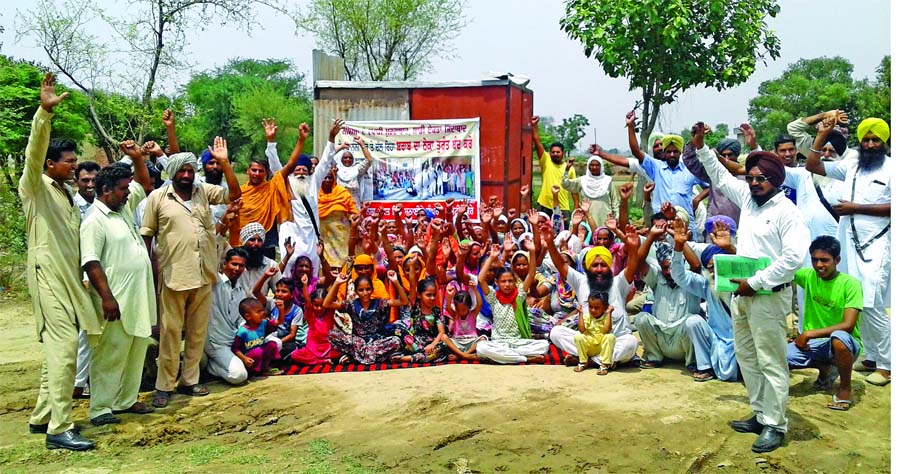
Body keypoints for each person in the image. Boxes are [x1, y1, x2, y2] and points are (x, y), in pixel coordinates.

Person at [693, 121, 809, 453]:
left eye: (761, 179)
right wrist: (701, 146)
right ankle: (760, 413)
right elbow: (719, 176)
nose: (754, 183)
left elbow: (792, 259)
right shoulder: (748, 198)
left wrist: (755, 282)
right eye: (751, 177)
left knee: (771, 360)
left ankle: (776, 424)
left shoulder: (787, 212)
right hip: (741, 295)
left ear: (776, 181)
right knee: (747, 357)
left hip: (769, 296)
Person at [22, 73, 98, 451]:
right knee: (65, 348)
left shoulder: (66, 194)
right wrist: (43, 116)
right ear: (50, 164)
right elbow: (33, 154)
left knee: (58, 348)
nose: (74, 166)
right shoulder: (35, 187)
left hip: (68, 279)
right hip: (47, 274)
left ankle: (41, 416)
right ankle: (60, 429)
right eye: (67, 162)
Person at [140, 136, 241, 408]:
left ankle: (190, 381)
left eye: (189, 170)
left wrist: (223, 163)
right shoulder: (157, 199)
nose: (186, 175)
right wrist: (149, 274)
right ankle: (164, 385)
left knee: (197, 332)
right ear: (172, 173)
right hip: (174, 276)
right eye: (181, 171)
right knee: (171, 333)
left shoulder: (203, 191)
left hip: (204, 274)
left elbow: (234, 194)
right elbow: (147, 237)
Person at [805, 116, 891, 387]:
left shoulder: (892, 168)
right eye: (866, 139)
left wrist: (855, 208)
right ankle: (872, 356)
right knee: (856, 303)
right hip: (849, 243)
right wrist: (822, 135)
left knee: (872, 304)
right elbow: (812, 165)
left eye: (875, 139)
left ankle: (888, 366)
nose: (870, 144)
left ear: (884, 142)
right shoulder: (852, 166)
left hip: (877, 243)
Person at [80, 142, 156, 427]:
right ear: (106, 190)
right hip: (116, 300)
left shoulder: (122, 208)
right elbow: (91, 262)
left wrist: (138, 157)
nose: (128, 192)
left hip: (138, 296)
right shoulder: (94, 220)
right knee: (111, 354)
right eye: (123, 189)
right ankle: (100, 408)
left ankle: (126, 400)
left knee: (137, 348)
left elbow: (144, 183)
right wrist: (107, 298)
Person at [788, 236, 863, 410]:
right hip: (814, 344)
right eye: (815, 260)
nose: (819, 265)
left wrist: (808, 333)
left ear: (837, 260)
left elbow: (848, 325)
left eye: (824, 260)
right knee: (781, 357)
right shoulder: (808, 276)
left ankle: (845, 389)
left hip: (845, 343)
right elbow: (777, 268)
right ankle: (826, 368)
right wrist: (732, 250)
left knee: (839, 338)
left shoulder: (850, 284)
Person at [598, 111, 707, 228]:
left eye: (675, 152)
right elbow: (636, 151)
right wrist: (630, 126)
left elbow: (709, 185)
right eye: (668, 152)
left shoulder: (689, 169)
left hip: (685, 224)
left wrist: (697, 200)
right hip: (661, 225)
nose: (671, 155)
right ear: (664, 153)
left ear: (680, 152)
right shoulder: (656, 167)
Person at [267, 119, 345, 276]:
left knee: (312, 276)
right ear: (292, 171)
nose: (301, 172)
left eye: (304, 170)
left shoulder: (313, 183)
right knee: (288, 276)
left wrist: (331, 138)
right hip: (290, 237)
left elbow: (325, 162)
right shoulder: (286, 182)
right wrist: (270, 142)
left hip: (311, 239)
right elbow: (275, 166)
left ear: (309, 171)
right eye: (297, 170)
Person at [670, 218, 739, 382]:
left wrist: (730, 248)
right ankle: (705, 367)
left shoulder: (743, 284)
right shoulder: (706, 284)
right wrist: (679, 246)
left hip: (741, 341)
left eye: (718, 266)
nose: (714, 271)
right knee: (693, 321)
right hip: (716, 340)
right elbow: (679, 275)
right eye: (710, 267)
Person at [632, 222, 702, 373]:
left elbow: (696, 265)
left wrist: (679, 241)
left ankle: (693, 363)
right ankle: (654, 357)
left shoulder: (689, 279)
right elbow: (638, 262)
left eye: (672, 267)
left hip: (683, 340)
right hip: (661, 339)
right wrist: (651, 236)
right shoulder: (657, 278)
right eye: (665, 267)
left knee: (693, 321)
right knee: (641, 318)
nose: (670, 272)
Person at [234, 121, 310, 258]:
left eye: (260, 171)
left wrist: (301, 139)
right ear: (248, 171)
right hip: (243, 243)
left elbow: (291, 164)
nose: (257, 173)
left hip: (266, 241)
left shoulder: (271, 187)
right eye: (254, 170)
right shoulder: (239, 192)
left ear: (266, 173)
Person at [475, 244, 549, 364]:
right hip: (499, 342)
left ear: (515, 282)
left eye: (510, 281)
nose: (507, 284)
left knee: (544, 345)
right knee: (481, 347)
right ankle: (524, 358)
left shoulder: (519, 295)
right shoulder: (493, 297)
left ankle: (506, 357)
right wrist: (492, 257)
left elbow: (531, 275)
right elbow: (480, 279)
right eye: (503, 281)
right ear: (496, 282)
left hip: (518, 342)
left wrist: (532, 251)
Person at [325, 272, 407, 364]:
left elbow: (403, 301)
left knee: (396, 341)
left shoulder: (380, 303)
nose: (365, 293)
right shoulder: (351, 305)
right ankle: (372, 356)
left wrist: (395, 281)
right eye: (361, 290)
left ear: (372, 290)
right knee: (332, 334)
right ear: (356, 291)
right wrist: (337, 283)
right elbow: (327, 304)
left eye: (368, 289)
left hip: (377, 341)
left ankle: (355, 357)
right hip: (358, 342)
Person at [72, 160, 101, 400]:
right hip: (83, 275)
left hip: (103, 275)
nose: (90, 184)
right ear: (76, 182)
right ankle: (79, 382)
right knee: (86, 330)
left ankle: (90, 379)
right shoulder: (73, 205)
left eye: (94, 180)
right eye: (85, 180)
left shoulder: (103, 204)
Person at [204, 248, 251, 385]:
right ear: (225, 264)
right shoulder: (214, 282)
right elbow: (213, 247)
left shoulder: (241, 291)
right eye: (234, 264)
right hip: (216, 342)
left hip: (234, 341)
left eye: (241, 265)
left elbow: (241, 320)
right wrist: (223, 226)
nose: (237, 268)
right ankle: (211, 367)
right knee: (239, 375)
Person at [252, 268, 305, 360]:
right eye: (278, 291)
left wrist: (278, 343)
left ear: (292, 294)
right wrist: (266, 276)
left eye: (284, 291)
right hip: (269, 338)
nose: (279, 294)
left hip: (284, 342)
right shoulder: (272, 303)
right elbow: (255, 292)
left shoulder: (297, 311)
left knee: (292, 349)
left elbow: (292, 334)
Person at [531, 116, 576, 220]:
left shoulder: (570, 168)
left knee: (563, 234)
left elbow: (574, 190)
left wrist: (577, 207)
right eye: (553, 152)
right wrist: (534, 126)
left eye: (558, 152)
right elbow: (537, 142)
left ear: (563, 153)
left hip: (563, 207)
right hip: (544, 205)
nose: (555, 154)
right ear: (549, 153)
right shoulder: (546, 161)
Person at [319, 169, 360, 267]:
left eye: (330, 178)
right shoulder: (314, 194)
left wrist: (354, 218)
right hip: (323, 237)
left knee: (344, 262)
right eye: (325, 177)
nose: (328, 180)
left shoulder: (342, 192)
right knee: (324, 262)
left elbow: (353, 211)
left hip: (342, 237)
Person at [290, 285, 340, 365]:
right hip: (312, 348)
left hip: (328, 347)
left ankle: (322, 359)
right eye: (316, 305)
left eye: (322, 305)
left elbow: (332, 298)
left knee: (341, 352)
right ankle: (322, 361)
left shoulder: (330, 312)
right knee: (295, 355)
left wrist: (337, 282)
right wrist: (304, 284)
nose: (319, 308)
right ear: (312, 304)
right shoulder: (310, 314)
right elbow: (307, 301)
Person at [232, 298, 282, 377]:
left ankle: (265, 368)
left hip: (260, 355)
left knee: (272, 344)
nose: (263, 313)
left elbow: (278, 322)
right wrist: (244, 359)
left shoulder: (263, 323)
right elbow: (235, 348)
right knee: (258, 352)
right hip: (250, 360)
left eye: (262, 310)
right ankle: (255, 372)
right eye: (258, 312)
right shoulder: (243, 331)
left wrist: (281, 310)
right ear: (248, 316)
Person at [562, 155, 615, 228]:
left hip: (605, 217)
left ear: (601, 166)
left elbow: (614, 201)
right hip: (587, 216)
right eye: (592, 165)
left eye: (597, 165)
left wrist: (616, 217)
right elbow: (566, 184)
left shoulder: (608, 180)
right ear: (588, 166)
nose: (594, 167)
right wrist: (567, 170)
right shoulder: (583, 180)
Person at [571, 291, 616, 375]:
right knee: (578, 336)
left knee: (610, 337)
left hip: (601, 347)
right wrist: (580, 313)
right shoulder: (587, 316)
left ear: (605, 308)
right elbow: (581, 330)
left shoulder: (606, 316)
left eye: (597, 308)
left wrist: (609, 313)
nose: (593, 310)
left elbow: (607, 330)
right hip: (590, 346)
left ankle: (604, 364)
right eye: (590, 307)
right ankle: (583, 362)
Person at [441, 282, 485, 361]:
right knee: (444, 337)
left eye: (463, 310)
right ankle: (464, 355)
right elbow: (448, 307)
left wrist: (475, 290)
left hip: (471, 342)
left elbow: (480, 304)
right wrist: (449, 296)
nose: (460, 312)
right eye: (458, 310)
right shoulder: (455, 315)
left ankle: (463, 355)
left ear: (469, 306)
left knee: (483, 338)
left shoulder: (473, 314)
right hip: (458, 343)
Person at [237, 222, 283, 297]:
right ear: (244, 242)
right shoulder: (235, 263)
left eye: (259, 240)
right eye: (252, 240)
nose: (256, 243)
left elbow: (280, 292)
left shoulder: (271, 265)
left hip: (260, 306)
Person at [335, 136, 374, 210]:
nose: (348, 159)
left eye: (350, 158)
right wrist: (341, 147)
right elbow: (328, 158)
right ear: (341, 159)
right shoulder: (336, 169)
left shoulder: (357, 170)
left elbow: (369, 160)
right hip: (339, 205)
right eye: (345, 157)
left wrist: (361, 144)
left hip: (354, 205)